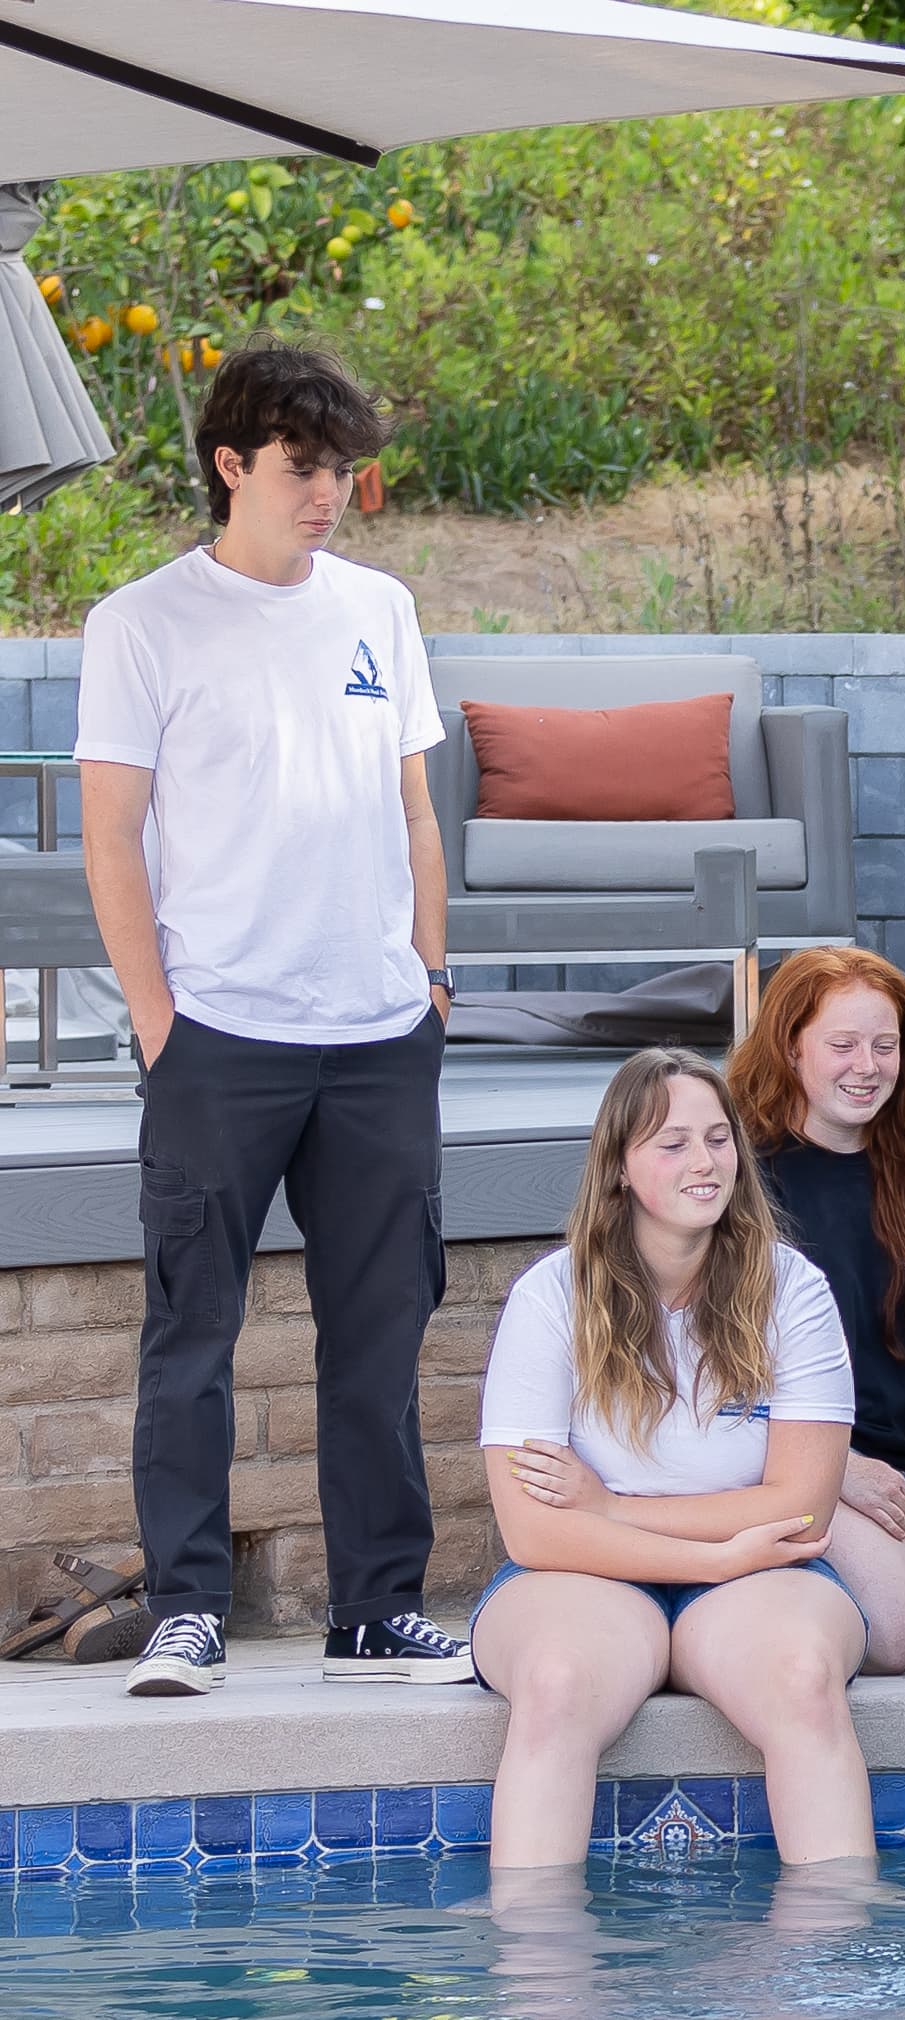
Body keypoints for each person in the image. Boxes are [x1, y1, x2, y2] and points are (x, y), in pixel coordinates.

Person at [75, 344, 467, 1698]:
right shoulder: (140, 623)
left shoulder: (381, 609)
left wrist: (428, 978)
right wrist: (155, 1019)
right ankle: (187, 1606)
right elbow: (113, 834)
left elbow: (416, 809)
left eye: (345, 470)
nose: (331, 495)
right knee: (192, 1332)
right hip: (219, 1036)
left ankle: (376, 1607)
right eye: (306, 470)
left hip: (377, 1038)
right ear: (232, 465)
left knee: (380, 1330)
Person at [471, 1048, 876, 1866]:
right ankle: (545, 1978)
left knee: (803, 1677)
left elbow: (801, 1503)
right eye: (672, 1143)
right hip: (583, 1579)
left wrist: (612, 1508)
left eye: (719, 1139)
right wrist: (719, 1552)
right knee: (553, 1685)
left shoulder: (790, 1289)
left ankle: (831, 1971)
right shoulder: (551, 1297)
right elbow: (533, 1533)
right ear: (619, 1167)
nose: (705, 1162)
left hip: (760, 1571)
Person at [730, 945, 905, 1674]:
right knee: (896, 1629)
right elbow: (710, 1366)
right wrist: (840, 1469)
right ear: (791, 1047)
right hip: (813, 1462)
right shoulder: (740, 1178)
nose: (867, 1066)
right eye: (841, 1045)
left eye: (885, 1046)